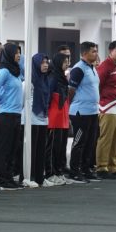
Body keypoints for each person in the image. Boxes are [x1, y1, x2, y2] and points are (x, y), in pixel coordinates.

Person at [67, 42, 100, 182]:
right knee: (79, 142)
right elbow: (70, 91)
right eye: (93, 51)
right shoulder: (78, 69)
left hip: (93, 112)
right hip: (80, 112)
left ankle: (86, 169)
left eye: (96, 51)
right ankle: (74, 171)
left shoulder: (92, 68)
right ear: (85, 53)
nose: (96, 54)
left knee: (91, 142)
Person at [96, 40, 116, 180]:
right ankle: (102, 167)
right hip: (107, 107)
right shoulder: (105, 66)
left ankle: (113, 166)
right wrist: (101, 103)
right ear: (110, 51)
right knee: (106, 139)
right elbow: (98, 85)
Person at [0, 43, 24, 190]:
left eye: (19, 52)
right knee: (5, 146)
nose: (18, 55)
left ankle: (9, 176)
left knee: (14, 147)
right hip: (6, 112)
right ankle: (2, 177)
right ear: (9, 54)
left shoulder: (16, 71)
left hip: (16, 113)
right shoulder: (4, 71)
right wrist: (1, 100)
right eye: (16, 53)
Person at [46, 52, 72, 186]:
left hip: (63, 117)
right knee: (52, 148)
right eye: (64, 61)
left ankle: (59, 172)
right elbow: (49, 97)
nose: (67, 63)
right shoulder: (53, 78)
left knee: (61, 148)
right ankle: (50, 173)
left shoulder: (63, 78)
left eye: (68, 61)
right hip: (54, 117)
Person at [29, 53, 51, 187]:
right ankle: (30, 176)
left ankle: (39, 177)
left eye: (47, 62)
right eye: (43, 62)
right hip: (32, 117)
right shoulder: (31, 79)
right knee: (32, 149)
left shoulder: (45, 79)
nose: (46, 65)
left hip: (43, 116)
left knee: (41, 148)